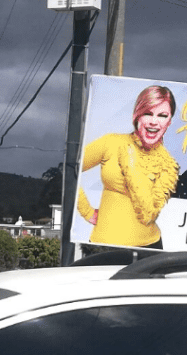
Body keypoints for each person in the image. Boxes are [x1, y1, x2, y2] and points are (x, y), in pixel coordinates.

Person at [77, 84, 179, 248]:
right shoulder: (111, 142)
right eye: (147, 113)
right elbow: (70, 168)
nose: (154, 122)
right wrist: (86, 211)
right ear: (137, 115)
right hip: (104, 246)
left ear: (169, 122)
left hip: (150, 246)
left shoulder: (168, 165)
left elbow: (148, 213)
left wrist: (131, 167)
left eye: (162, 115)